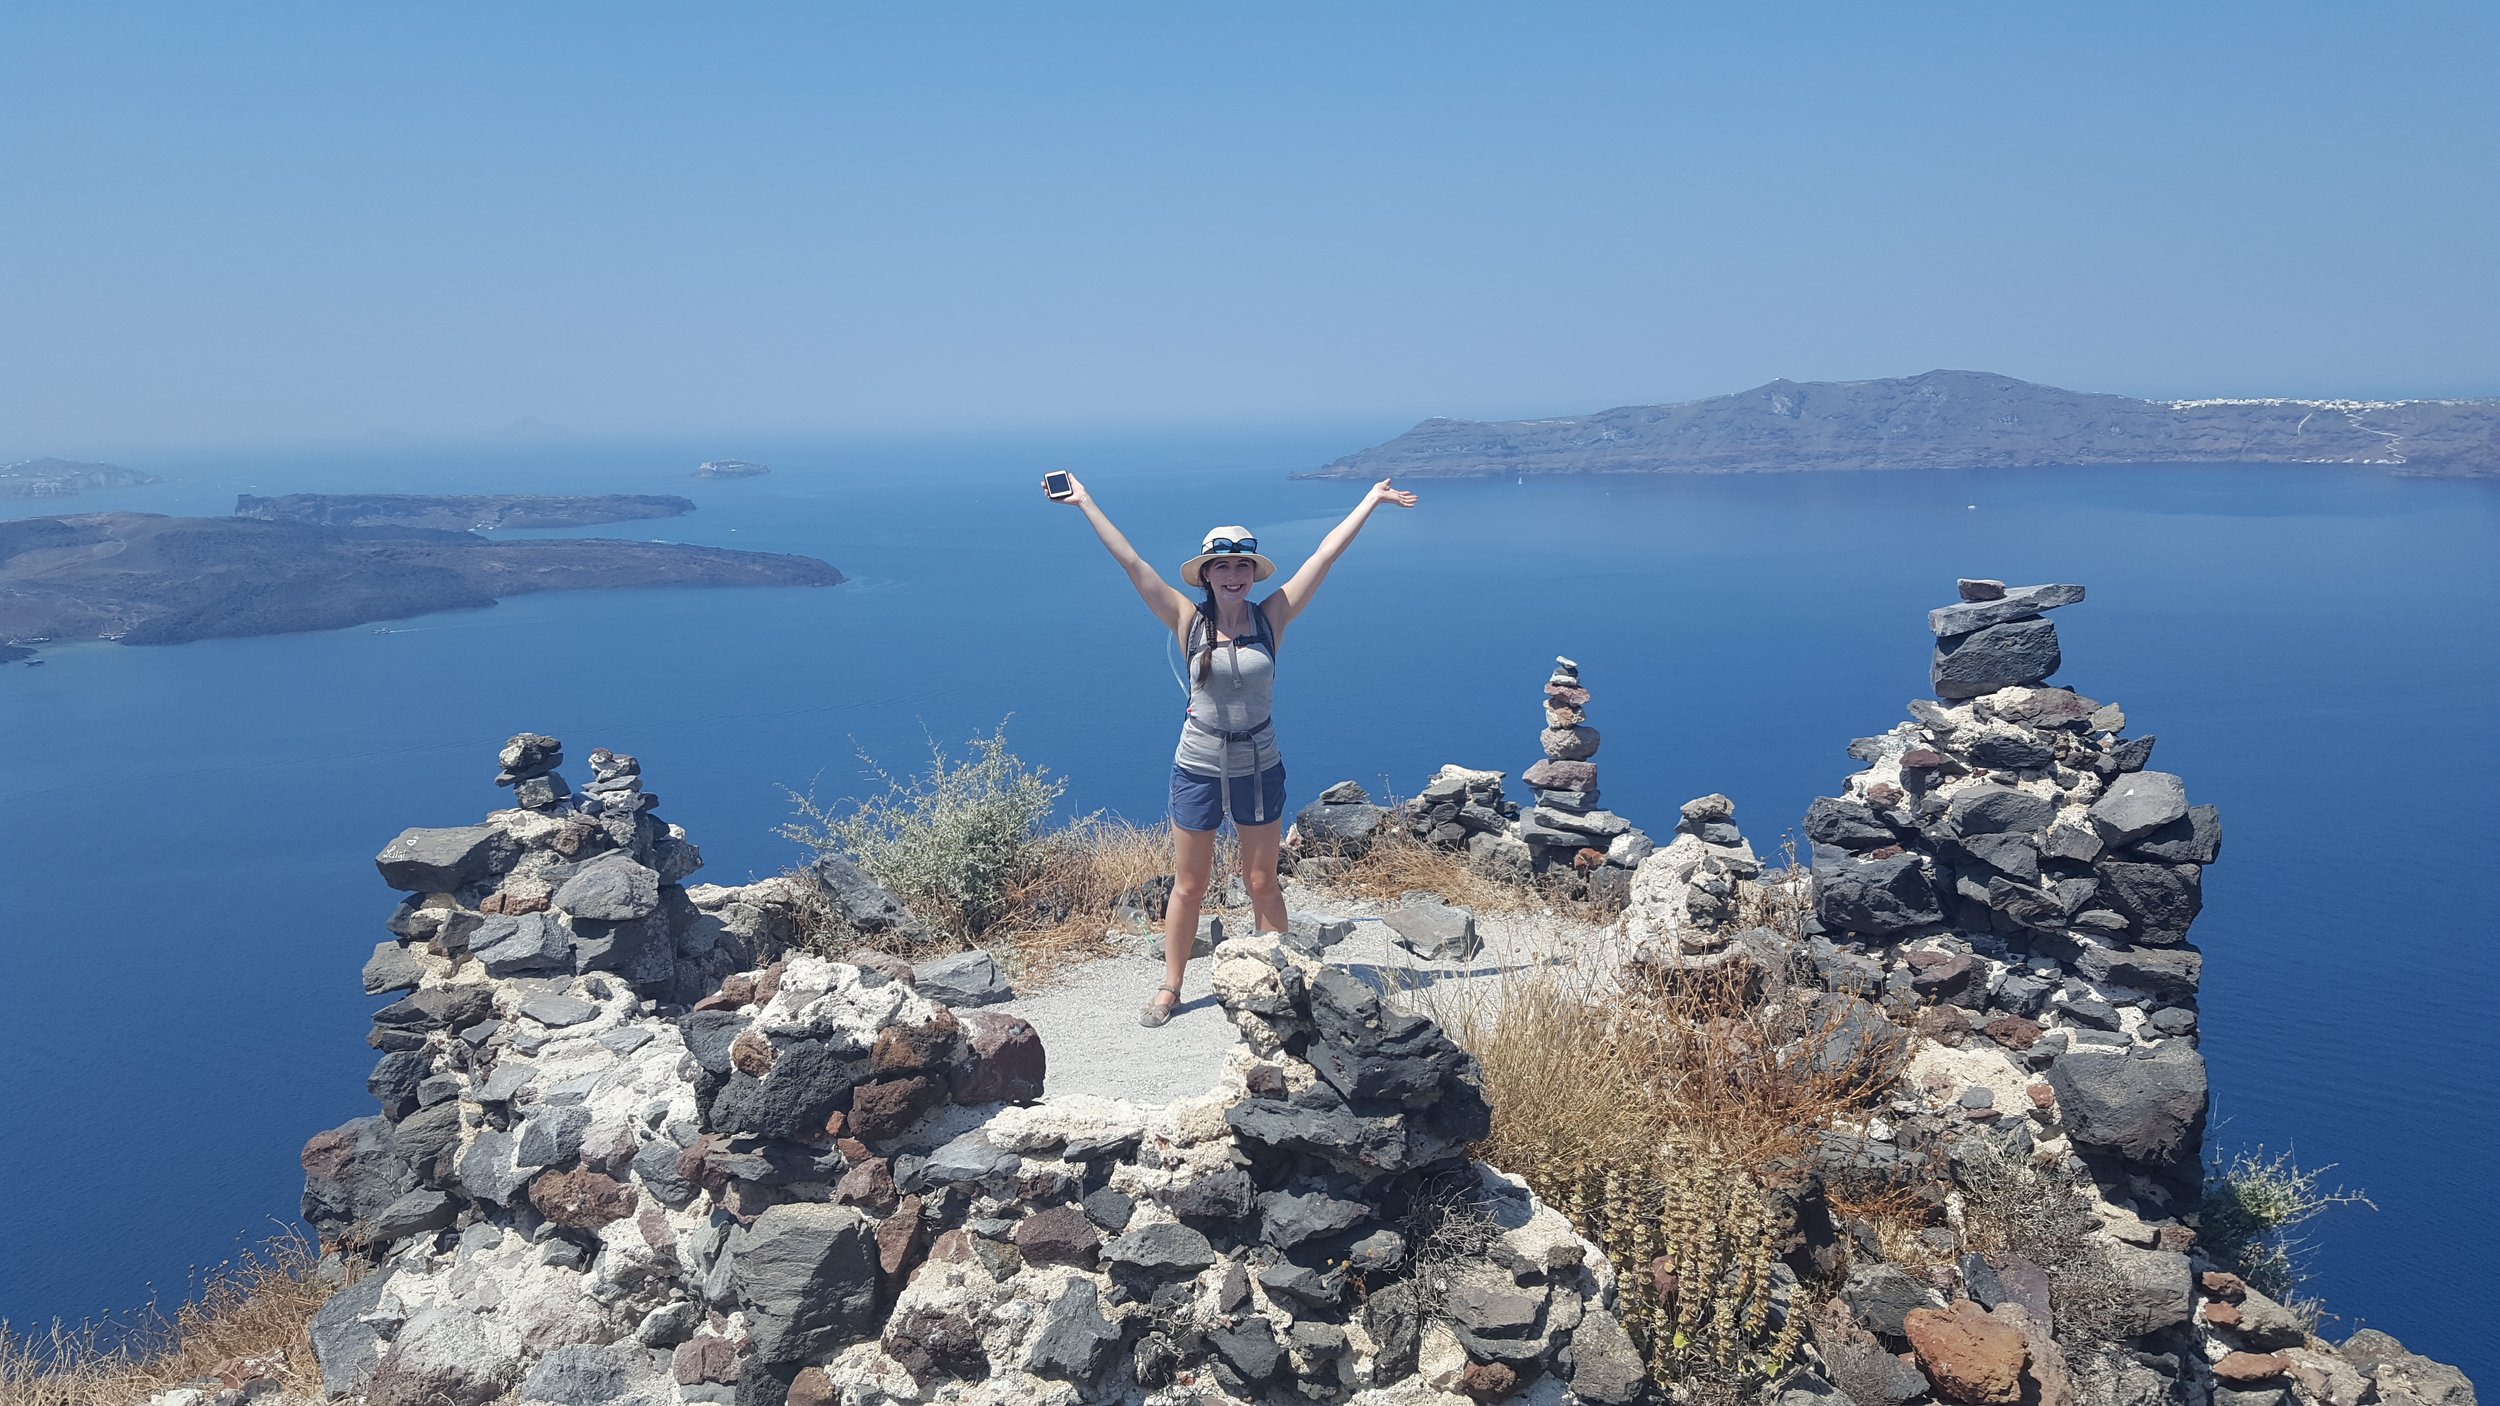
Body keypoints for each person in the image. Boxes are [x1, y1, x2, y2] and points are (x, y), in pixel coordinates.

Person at [1052, 474, 1418, 1026]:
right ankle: (1171, 987)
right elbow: (1132, 564)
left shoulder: (1272, 617)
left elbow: (1324, 555)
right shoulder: (1186, 620)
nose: (1232, 574)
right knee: (1190, 884)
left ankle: (1276, 976)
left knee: (1261, 881)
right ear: (1205, 574)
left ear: (1252, 572)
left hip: (1259, 765)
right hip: (1198, 766)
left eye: (1242, 565)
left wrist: (1371, 499)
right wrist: (1085, 503)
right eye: (1221, 566)